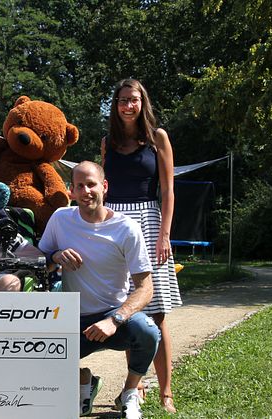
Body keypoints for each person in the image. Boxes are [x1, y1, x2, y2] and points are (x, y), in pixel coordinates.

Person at [38, 161, 161, 419]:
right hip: (71, 318)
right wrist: (56, 255)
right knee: (33, 346)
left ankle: (129, 394)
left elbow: (145, 288)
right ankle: (84, 381)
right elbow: (39, 261)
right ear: (71, 191)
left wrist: (115, 320)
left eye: (91, 184)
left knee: (148, 331)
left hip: (111, 316)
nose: (86, 191)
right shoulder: (61, 218)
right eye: (79, 186)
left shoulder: (126, 228)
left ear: (104, 187)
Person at [100, 78, 181, 413]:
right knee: (128, 312)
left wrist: (165, 234)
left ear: (142, 102)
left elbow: (168, 191)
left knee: (157, 312)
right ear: (115, 106)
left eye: (133, 100)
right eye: (122, 100)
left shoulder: (157, 138)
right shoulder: (108, 142)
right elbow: (102, 189)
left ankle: (166, 393)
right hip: (116, 225)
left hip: (149, 224)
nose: (127, 106)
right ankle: (138, 386)